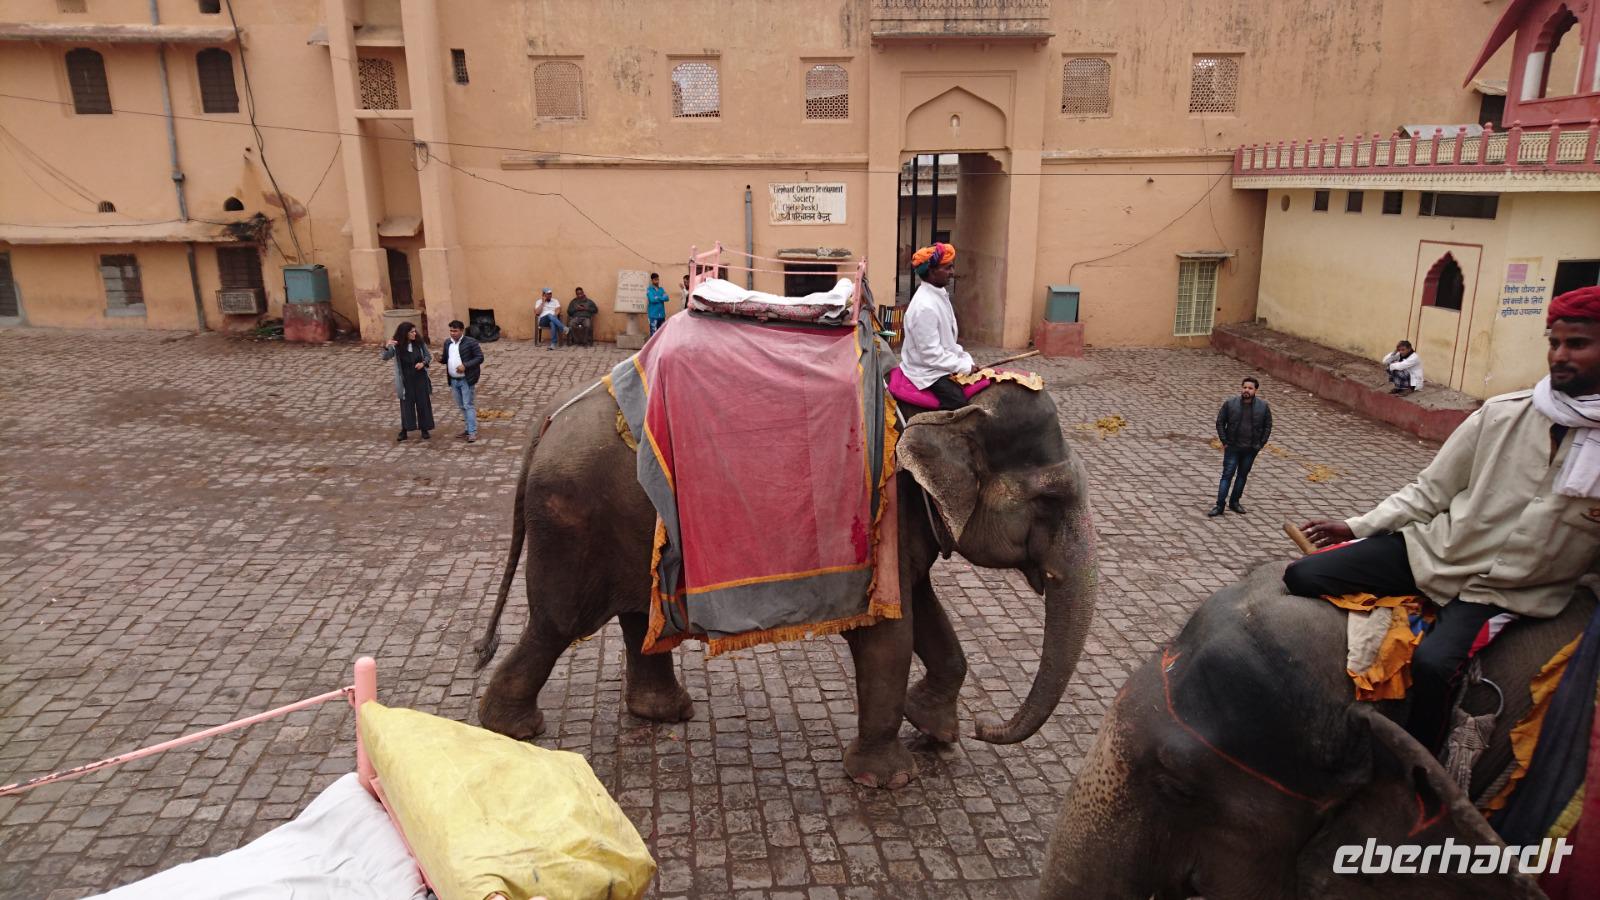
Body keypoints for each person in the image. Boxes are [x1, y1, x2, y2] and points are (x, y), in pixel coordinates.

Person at [1285, 285, 1600, 752]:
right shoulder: (1501, 415)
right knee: (1303, 574)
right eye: (1554, 342)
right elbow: (1430, 491)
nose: (1560, 355)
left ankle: (1422, 767)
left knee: (1434, 666)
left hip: (1502, 591)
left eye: (1577, 344)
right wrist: (1356, 526)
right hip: (1435, 550)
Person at [900, 242, 973, 410]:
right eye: (947, 268)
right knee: (959, 403)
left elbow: (948, 344)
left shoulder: (938, 295)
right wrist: (962, 366)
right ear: (932, 272)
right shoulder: (925, 306)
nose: (952, 272)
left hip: (940, 363)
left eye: (952, 267)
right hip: (926, 371)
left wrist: (965, 359)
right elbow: (930, 355)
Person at [1208, 377, 1272, 517]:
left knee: (1242, 476)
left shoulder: (1263, 407)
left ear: (1255, 390)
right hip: (1232, 447)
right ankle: (1219, 505)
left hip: (1251, 449)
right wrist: (1224, 441)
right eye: (1244, 387)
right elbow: (1220, 422)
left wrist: (1260, 444)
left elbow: (1267, 426)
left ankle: (1235, 502)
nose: (1246, 390)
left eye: (1250, 388)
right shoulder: (1230, 404)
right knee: (1227, 476)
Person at [381, 322, 434, 441]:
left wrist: (423, 363)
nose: (415, 333)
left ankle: (424, 429)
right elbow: (385, 357)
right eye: (411, 332)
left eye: (415, 331)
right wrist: (387, 346)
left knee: (423, 403)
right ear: (405, 333)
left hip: (420, 378)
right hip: (406, 380)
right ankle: (405, 429)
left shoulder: (419, 343)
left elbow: (428, 356)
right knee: (406, 405)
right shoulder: (396, 345)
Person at [439, 319, 483, 443]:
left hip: (466, 379)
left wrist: (465, 365)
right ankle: (467, 429)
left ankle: (472, 432)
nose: (452, 333)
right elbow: (445, 359)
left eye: (455, 331)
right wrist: (440, 359)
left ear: (462, 331)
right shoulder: (448, 343)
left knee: (468, 405)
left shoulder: (471, 342)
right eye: (451, 331)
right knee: (462, 406)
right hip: (453, 380)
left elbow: (480, 357)